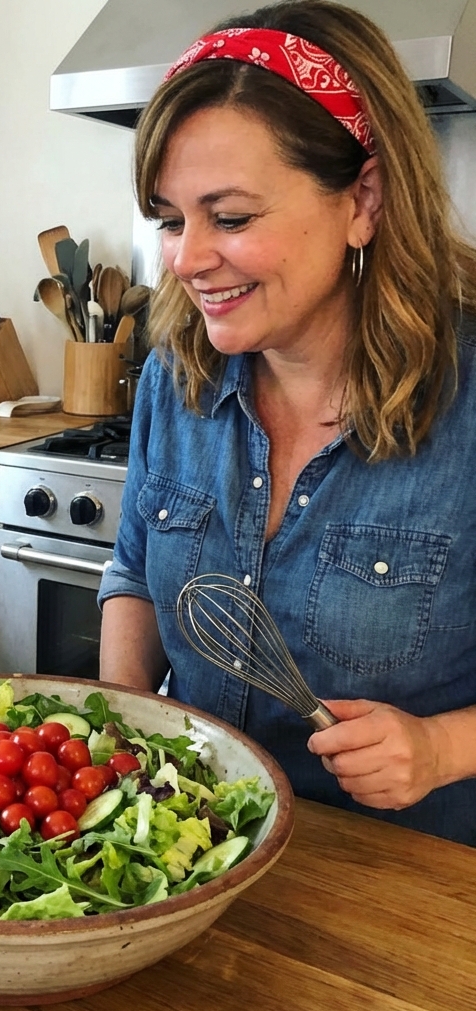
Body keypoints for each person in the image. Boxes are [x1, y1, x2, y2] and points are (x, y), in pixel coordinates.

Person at [98, 0, 476, 844]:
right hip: (193, 853)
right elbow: (135, 572)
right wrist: (120, 723)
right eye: (170, 219)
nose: (186, 259)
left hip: (408, 877)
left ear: (363, 200)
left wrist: (441, 747)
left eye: (231, 218)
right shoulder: (176, 376)